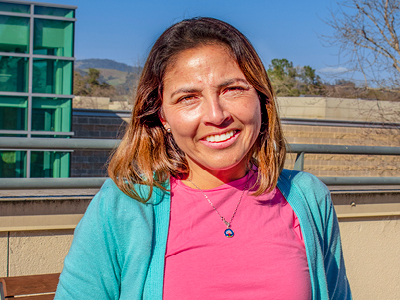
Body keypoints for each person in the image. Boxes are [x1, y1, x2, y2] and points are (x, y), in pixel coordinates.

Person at [55, 17, 351, 300]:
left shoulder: (308, 198)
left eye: (233, 89)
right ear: (163, 116)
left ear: (260, 99)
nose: (216, 115)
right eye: (188, 98)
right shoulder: (123, 207)